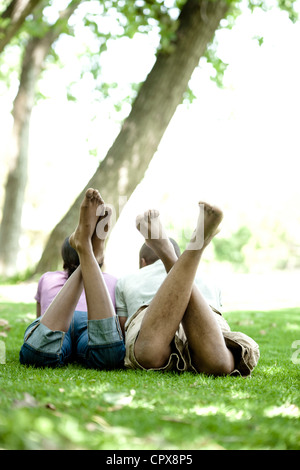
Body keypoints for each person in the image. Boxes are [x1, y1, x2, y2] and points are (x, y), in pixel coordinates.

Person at [116, 203, 260, 377]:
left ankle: (167, 254)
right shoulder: (209, 280)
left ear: (143, 262)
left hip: (151, 319)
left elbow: (122, 329)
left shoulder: (127, 280)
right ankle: (183, 252)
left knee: (148, 356)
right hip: (204, 314)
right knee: (219, 364)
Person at [20, 189, 125, 370]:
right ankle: (91, 250)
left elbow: (41, 317)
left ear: (64, 260)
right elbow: (119, 324)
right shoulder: (112, 280)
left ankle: (86, 246)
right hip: (92, 321)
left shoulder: (47, 278)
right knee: (109, 356)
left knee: (37, 354)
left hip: (56, 320)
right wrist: (93, 261)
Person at [35, 236, 117, 318]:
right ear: (98, 255)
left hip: (53, 321)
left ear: (65, 257)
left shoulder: (47, 278)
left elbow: (39, 320)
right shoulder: (112, 281)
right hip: (93, 323)